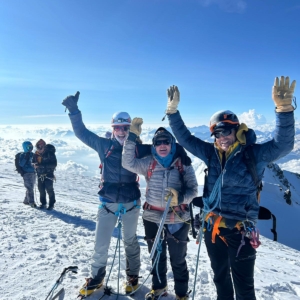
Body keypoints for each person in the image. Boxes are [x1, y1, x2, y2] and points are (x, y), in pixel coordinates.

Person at [164, 76, 296, 300]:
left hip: (241, 231)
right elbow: (185, 138)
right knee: (220, 279)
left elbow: (283, 145)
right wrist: (172, 112)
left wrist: (283, 109)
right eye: (217, 132)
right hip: (212, 227)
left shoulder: (254, 154)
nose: (222, 137)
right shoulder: (211, 153)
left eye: (226, 130)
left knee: (244, 288)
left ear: (237, 130)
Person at [62, 92, 143, 297]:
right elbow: (82, 133)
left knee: (130, 241)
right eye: (118, 127)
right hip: (108, 202)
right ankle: (96, 278)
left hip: (131, 203)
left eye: (126, 128)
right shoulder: (104, 145)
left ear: (130, 129)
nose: (122, 131)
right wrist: (74, 111)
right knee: (101, 243)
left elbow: (162, 151)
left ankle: (132, 276)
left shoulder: (138, 148)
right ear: (112, 129)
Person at [122, 119, 198, 300]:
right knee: (157, 255)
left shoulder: (183, 164)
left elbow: (194, 190)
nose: (162, 145)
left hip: (178, 218)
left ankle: (181, 294)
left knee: (178, 259)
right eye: (158, 142)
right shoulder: (149, 162)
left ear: (172, 144)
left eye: (166, 142)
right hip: (152, 217)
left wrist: (179, 198)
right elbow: (128, 162)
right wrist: (132, 136)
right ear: (153, 146)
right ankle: (159, 287)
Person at [32, 139, 57, 210]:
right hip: (39, 174)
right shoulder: (36, 154)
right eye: (38, 147)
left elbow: (54, 164)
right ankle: (43, 203)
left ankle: (51, 204)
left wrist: (41, 166)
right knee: (41, 190)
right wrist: (34, 165)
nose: (39, 149)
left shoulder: (50, 154)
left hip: (49, 174)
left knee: (49, 190)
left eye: (41, 147)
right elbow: (33, 162)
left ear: (44, 147)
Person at [19, 141, 36, 208]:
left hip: (33, 173)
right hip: (26, 174)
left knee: (30, 188)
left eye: (31, 146)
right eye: (29, 147)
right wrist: (26, 157)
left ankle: (26, 201)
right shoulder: (22, 155)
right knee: (29, 188)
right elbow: (21, 164)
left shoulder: (33, 154)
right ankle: (31, 202)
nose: (31, 148)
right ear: (25, 147)